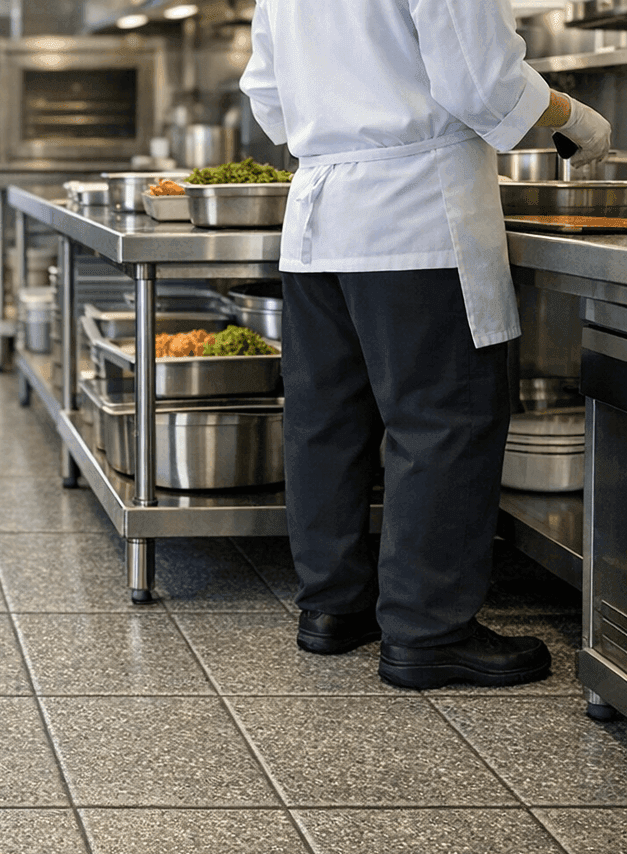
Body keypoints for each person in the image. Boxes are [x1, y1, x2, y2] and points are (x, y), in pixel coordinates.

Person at [240, 0, 610, 690]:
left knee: (327, 422)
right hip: (418, 216)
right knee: (444, 420)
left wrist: (343, 121)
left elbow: (268, 94)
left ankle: (332, 608)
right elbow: (482, 82)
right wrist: (576, 118)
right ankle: (428, 631)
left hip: (320, 217)